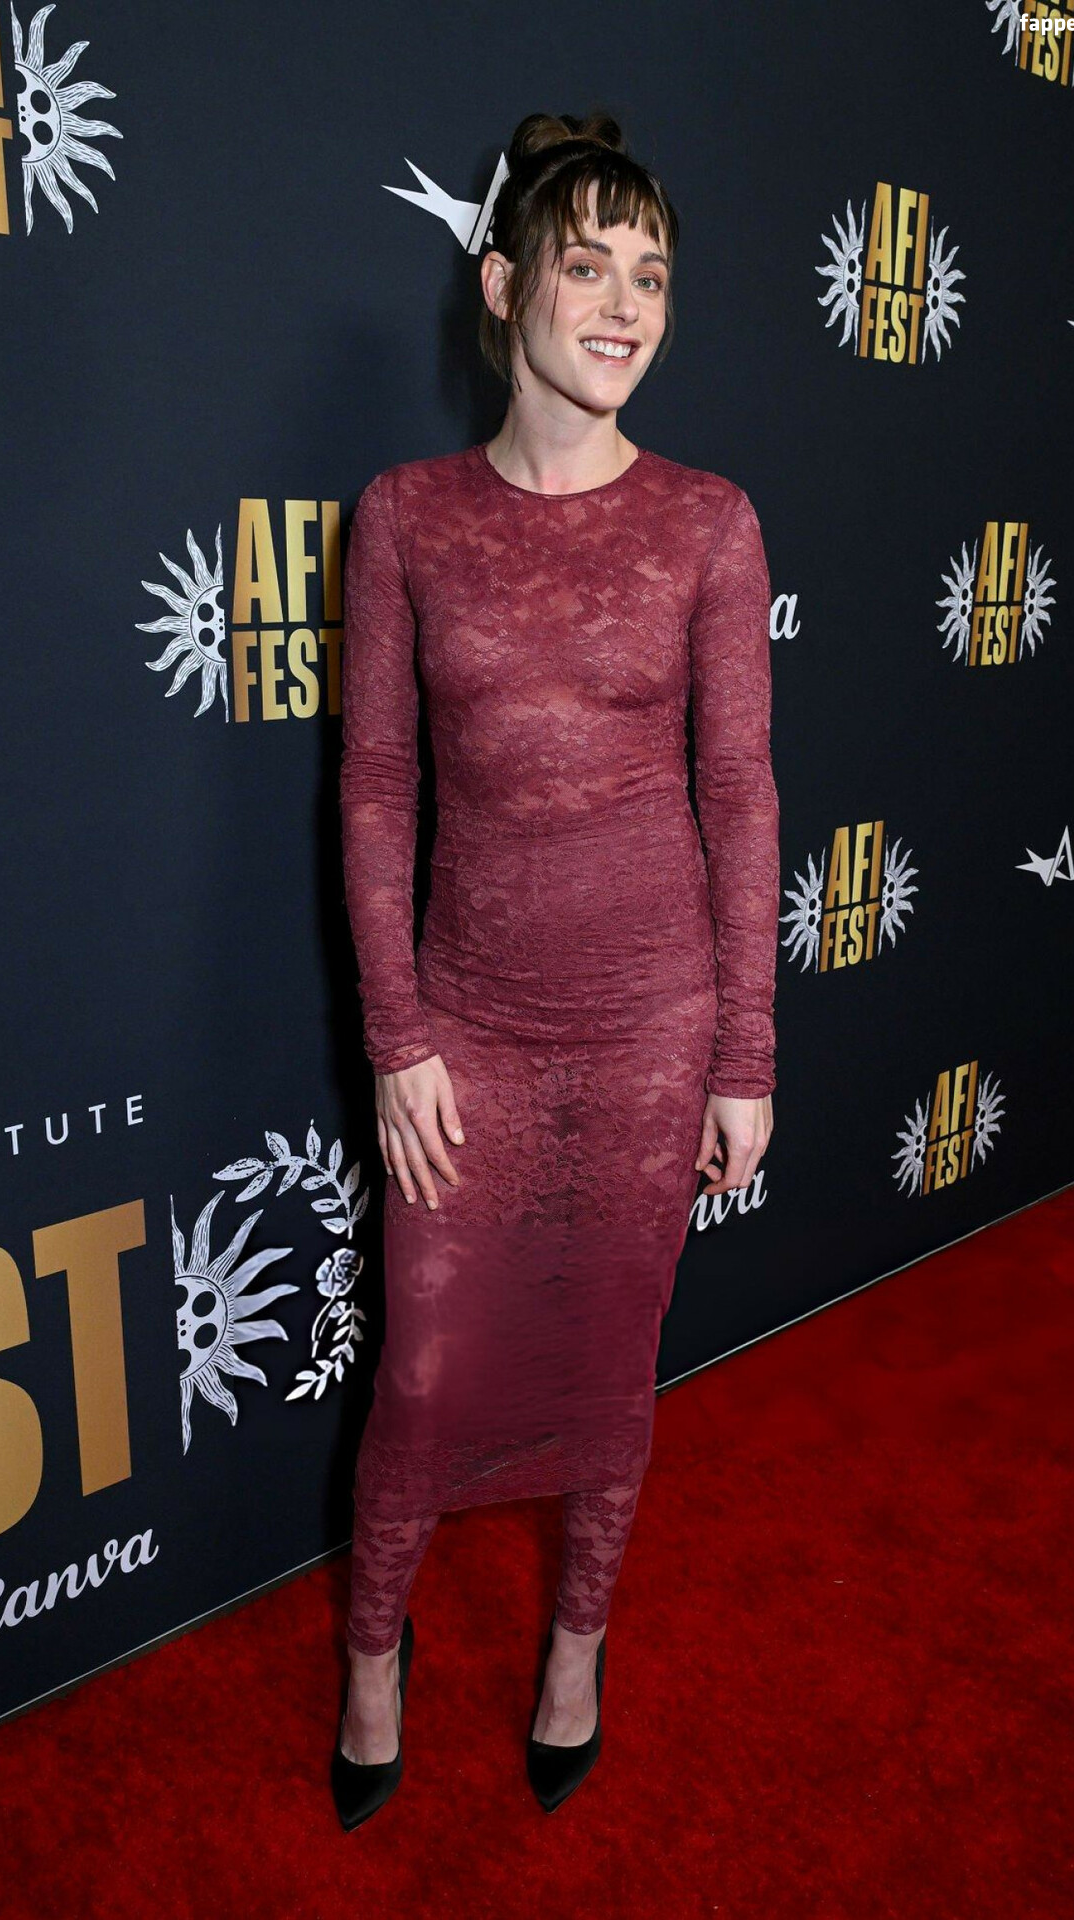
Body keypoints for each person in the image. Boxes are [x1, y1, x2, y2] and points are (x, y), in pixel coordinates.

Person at [331, 109, 779, 1829]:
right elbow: (378, 786)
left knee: (613, 1355)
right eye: (585, 266)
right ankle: (375, 1654)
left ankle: (577, 1643)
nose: (622, 305)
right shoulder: (407, 517)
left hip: (655, 1024)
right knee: (422, 1371)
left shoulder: (710, 524)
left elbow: (742, 796)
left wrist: (745, 1053)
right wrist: (399, 1035)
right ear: (505, 285)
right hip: (470, 1033)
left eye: (650, 274)